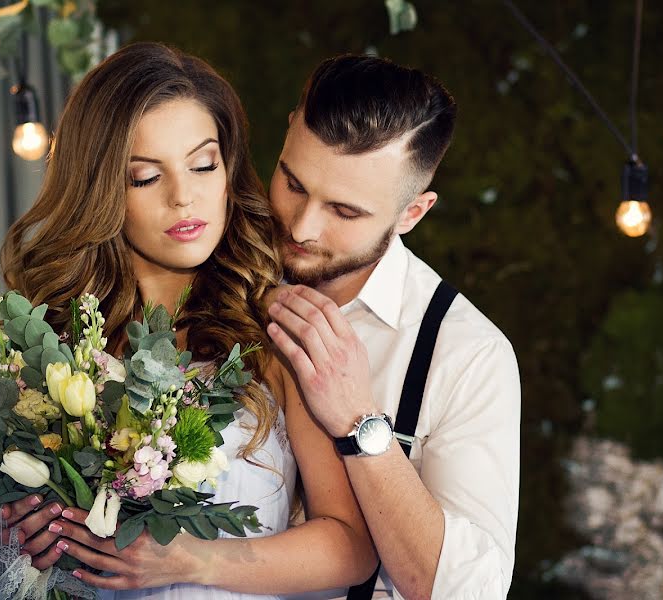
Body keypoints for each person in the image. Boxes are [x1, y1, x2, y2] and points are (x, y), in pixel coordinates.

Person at [0, 42, 376, 598]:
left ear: (228, 168)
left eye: (203, 164)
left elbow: (351, 547)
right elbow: (6, 539)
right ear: (102, 188)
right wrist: (25, 523)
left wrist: (192, 560)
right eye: (144, 177)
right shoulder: (49, 348)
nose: (185, 197)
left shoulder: (274, 333)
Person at [266, 56, 521, 599]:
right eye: (292, 182)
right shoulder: (218, 266)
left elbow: (468, 593)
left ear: (412, 214)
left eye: (344, 211)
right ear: (290, 128)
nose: (302, 225)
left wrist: (361, 424)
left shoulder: (468, 355)